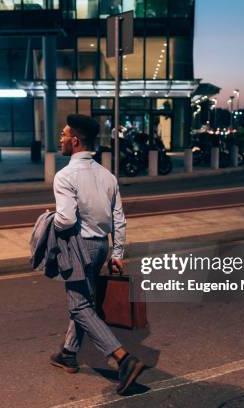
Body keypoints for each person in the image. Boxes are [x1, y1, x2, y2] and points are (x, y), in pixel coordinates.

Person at [49, 114, 145, 395]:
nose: (61, 138)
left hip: (79, 246)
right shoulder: (107, 176)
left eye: (64, 134)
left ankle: (123, 359)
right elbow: (119, 219)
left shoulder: (65, 176)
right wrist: (117, 253)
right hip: (101, 245)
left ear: (75, 141)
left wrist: (48, 221)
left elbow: (65, 221)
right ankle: (68, 353)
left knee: (79, 306)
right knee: (85, 299)